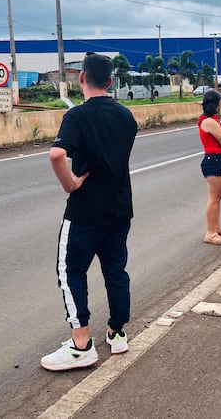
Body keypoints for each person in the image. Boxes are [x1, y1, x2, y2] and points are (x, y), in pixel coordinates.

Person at [41, 52, 137, 372]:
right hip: (120, 208)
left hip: (84, 213)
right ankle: (117, 332)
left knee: (70, 272)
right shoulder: (126, 117)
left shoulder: (77, 117)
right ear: (111, 81)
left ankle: (81, 345)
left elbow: (57, 154)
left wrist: (70, 184)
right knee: (115, 271)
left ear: (81, 78)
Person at [198, 89, 221, 245]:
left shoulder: (213, 119)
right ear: (215, 104)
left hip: (219, 160)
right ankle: (210, 233)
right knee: (214, 198)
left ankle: (217, 227)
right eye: (220, 103)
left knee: (217, 198)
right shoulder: (209, 121)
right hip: (214, 161)